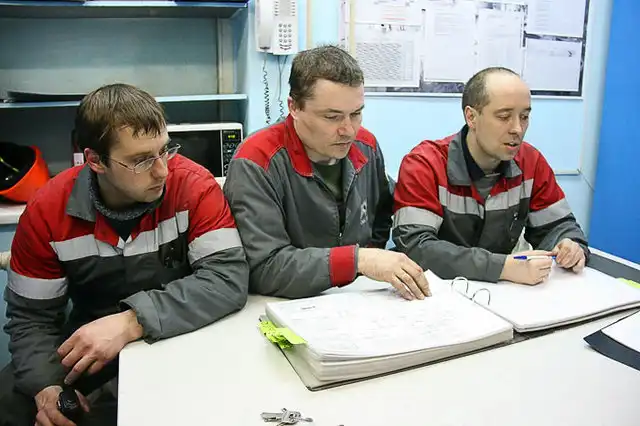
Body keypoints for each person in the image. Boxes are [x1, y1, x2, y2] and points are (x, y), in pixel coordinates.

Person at [0, 83, 249, 426]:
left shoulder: (195, 187)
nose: (162, 170)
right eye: (141, 160)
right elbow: (31, 318)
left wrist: (133, 321)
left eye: (165, 150)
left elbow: (227, 278)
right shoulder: (46, 211)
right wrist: (46, 386)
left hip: (178, 330)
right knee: (14, 405)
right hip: (91, 343)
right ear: (95, 161)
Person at [224, 45, 430, 301]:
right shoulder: (256, 161)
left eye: (356, 114)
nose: (348, 130)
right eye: (332, 117)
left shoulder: (366, 146)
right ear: (294, 107)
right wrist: (358, 260)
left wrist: (365, 265)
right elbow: (264, 267)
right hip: (284, 302)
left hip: (357, 296)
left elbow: (380, 218)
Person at [393, 67, 589, 285]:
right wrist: (501, 267)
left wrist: (570, 245)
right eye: (504, 117)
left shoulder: (531, 163)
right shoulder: (424, 164)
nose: (518, 129)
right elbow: (415, 248)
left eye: (524, 117)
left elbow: (558, 226)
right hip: (434, 292)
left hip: (503, 293)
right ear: (471, 117)